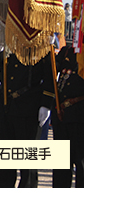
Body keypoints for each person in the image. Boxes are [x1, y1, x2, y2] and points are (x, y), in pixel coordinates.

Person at [0, 40, 55, 187]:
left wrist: (46, 103)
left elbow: (49, 73)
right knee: (6, 158)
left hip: (29, 105)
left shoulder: (40, 40)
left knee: (27, 162)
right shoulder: (9, 39)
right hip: (7, 104)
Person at [51, 42, 83, 188]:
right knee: (61, 166)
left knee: (82, 163)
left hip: (80, 117)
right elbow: (52, 69)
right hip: (62, 116)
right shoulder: (67, 51)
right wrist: (48, 48)